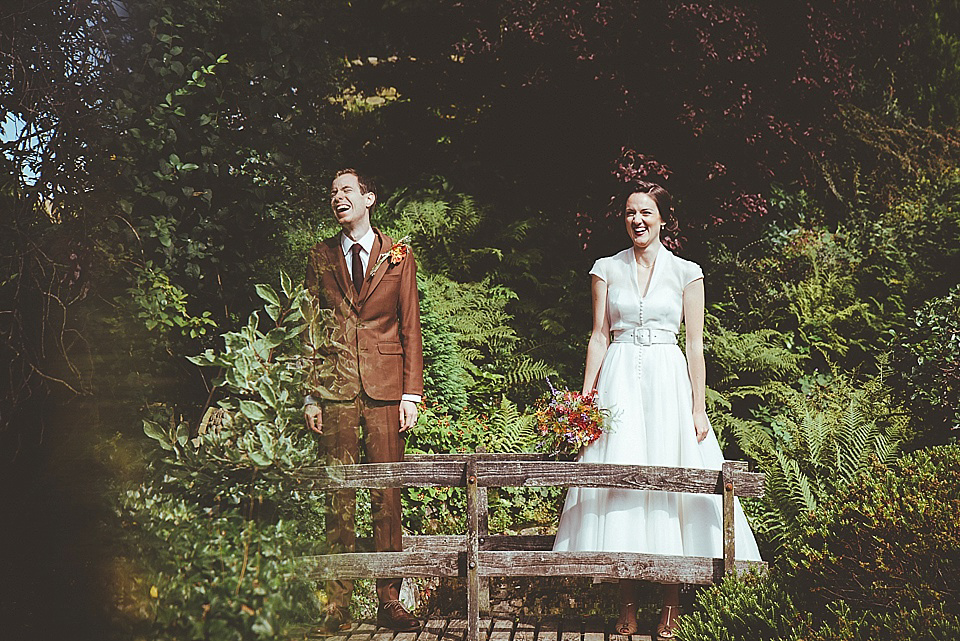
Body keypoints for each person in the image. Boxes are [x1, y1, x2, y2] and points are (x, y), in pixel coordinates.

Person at [552, 181, 761, 639]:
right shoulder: (605, 268)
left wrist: (698, 407)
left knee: (672, 484)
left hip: (668, 383)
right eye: (630, 213)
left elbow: (695, 344)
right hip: (620, 381)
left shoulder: (687, 272)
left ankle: (671, 606)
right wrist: (584, 400)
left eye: (646, 212)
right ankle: (625, 604)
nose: (637, 220)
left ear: (663, 218)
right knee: (622, 486)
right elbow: (599, 336)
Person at [303, 168, 423, 633]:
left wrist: (411, 393)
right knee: (340, 496)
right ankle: (337, 602)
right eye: (332, 192)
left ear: (368, 198)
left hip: (386, 391)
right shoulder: (320, 256)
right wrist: (311, 392)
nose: (338, 197)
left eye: (347, 190)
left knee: (386, 494)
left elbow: (410, 326)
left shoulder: (399, 255)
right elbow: (309, 327)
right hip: (334, 390)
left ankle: (390, 599)